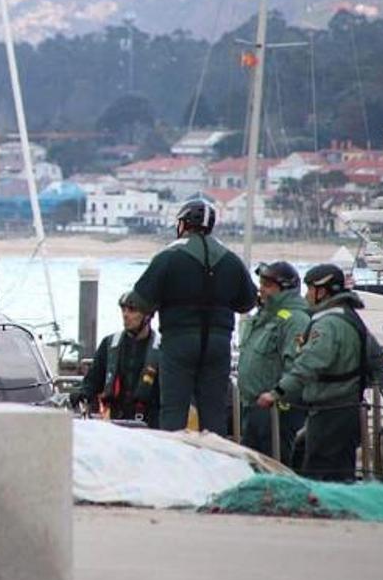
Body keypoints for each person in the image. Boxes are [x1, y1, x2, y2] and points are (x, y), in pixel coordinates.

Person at [132, 197, 256, 433]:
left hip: (179, 339)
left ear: (184, 224)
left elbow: (141, 301)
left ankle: (175, 462)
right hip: (219, 343)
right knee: (214, 412)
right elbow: (247, 302)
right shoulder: (230, 258)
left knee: (173, 411)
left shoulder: (169, 256)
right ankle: (215, 460)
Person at [257, 264, 367, 482]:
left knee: (322, 473)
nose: (306, 295)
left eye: (309, 290)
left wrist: (276, 393)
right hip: (348, 408)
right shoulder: (350, 317)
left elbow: (308, 364)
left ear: (322, 291)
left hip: (330, 410)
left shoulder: (328, 324)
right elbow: (376, 361)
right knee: (341, 472)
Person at [237, 261, 309, 464]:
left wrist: (278, 395)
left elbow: (296, 365)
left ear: (286, 289)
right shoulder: (264, 317)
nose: (261, 290)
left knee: (274, 463)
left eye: (268, 285)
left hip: (276, 410)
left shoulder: (296, 320)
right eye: (261, 284)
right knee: (252, 466)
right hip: (253, 406)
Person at [75, 291, 162, 428]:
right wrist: (82, 394)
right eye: (123, 309)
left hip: (151, 424)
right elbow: (92, 381)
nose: (125, 315)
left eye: (132, 310)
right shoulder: (110, 345)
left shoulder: (162, 349)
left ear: (147, 316)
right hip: (115, 423)